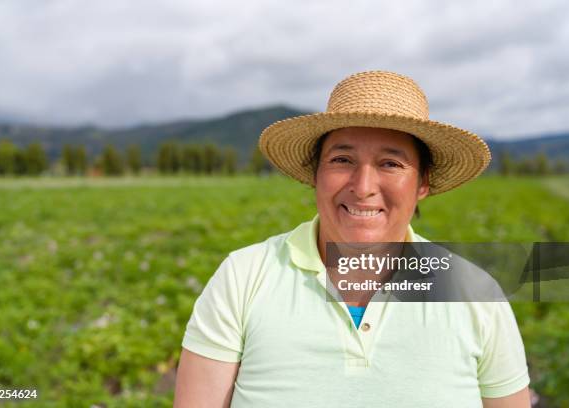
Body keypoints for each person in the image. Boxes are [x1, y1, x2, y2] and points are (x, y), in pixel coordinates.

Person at [174, 71, 531, 407]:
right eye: (342, 159)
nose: (362, 188)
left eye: (391, 164)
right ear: (316, 175)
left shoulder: (476, 295)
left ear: (423, 183)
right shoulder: (243, 277)